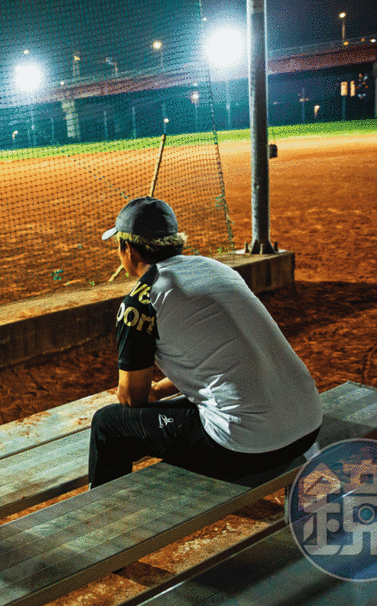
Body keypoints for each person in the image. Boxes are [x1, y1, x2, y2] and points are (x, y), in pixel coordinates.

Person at [88, 197, 322, 488]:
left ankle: (104, 518)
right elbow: (220, 353)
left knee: (108, 424)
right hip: (309, 423)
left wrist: (148, 395)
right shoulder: (217, 269)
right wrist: (160, 392)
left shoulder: (141, 301)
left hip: (251, 448)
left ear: (129, 248)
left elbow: (132, 398)